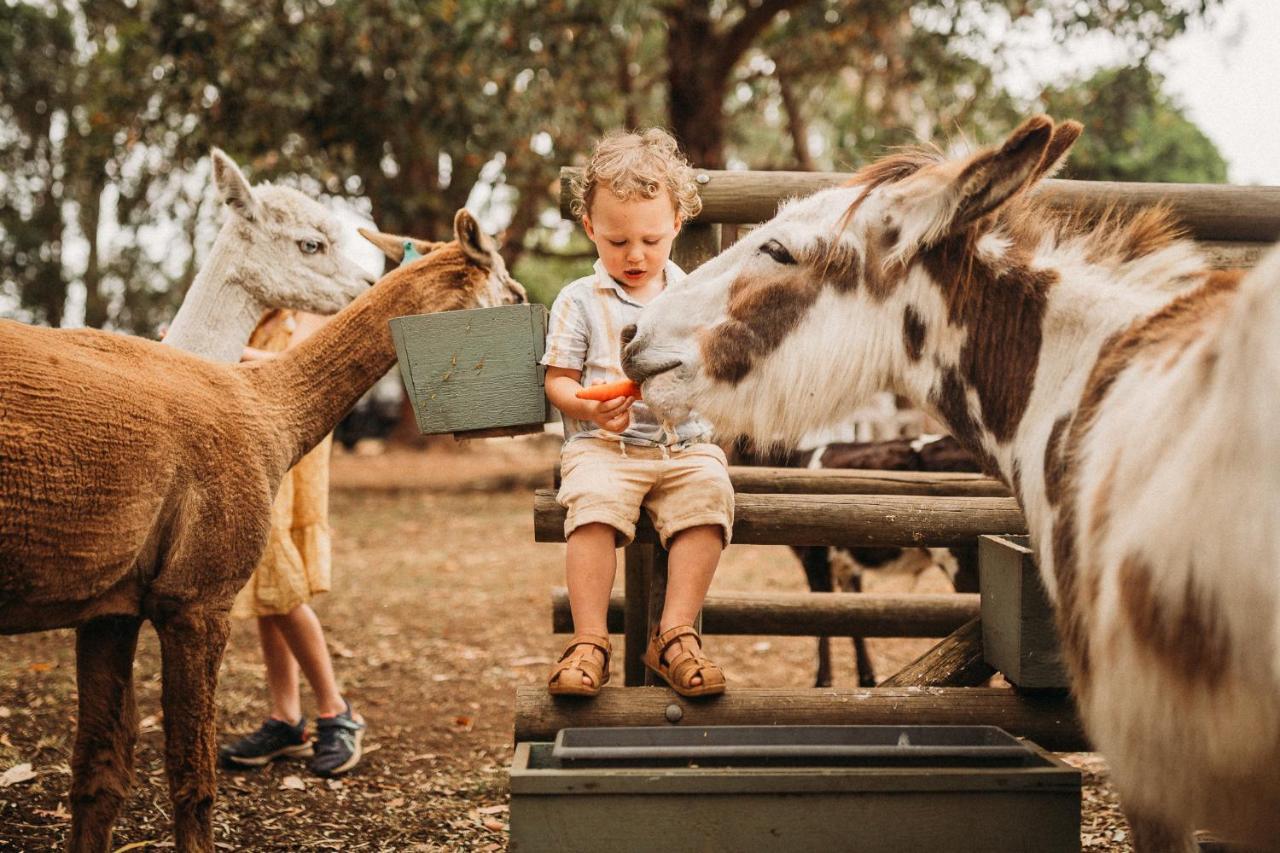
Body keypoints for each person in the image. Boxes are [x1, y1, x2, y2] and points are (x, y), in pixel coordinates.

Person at [543, 128, 734, 698]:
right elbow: (558, 381)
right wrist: (588, 410)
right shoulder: (579, 299)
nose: (634, 255)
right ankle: (589, 642)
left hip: (685, 446)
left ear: (677, 223)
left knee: (709, 497)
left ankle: (675, 636)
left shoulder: (696, 295)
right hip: (605, 448)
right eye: (617, 240)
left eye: (651, 239)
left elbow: (713, 375)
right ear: (590, 230)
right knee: (593, 508)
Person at [218, 309, 367, 777]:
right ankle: (286, 719)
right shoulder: (263, 313)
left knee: (279, 578)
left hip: (290, 449)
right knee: (268, 586)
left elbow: (299, 367)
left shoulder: (316, 309)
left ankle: (337, 711)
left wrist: (222, 350)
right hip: (252, 445)